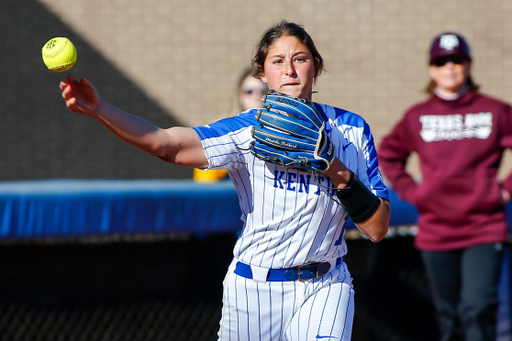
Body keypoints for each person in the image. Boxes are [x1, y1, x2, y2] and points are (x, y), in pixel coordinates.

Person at [59, 20, 390, 341]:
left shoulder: (350, 129)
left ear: (315, 67)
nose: (289, 69)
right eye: (277, 61)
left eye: (300, 59)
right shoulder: (247, 130)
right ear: (263, 73)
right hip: (255, 288)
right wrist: (99, 107)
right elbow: (165, 144)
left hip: (325, 283)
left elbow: (377, 228)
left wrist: (333, 167)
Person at [378, 32, 511, 341]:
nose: (449, 67)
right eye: (441, 61)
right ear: (431, 69)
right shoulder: (417, 116)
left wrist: (503, 191)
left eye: (456, 60)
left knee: (477, 309)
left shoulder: (495, 111)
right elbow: (389, 154)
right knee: (448, 317)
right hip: (437, 230)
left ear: (468, 64)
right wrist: (414, 192)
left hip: (484, 227)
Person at [193, 66, 268, 182]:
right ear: (240, 95)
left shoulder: (283, 129)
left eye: (264, 91)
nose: (257, 95)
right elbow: (205, 185)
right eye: (249, 91)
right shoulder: (222, 129)